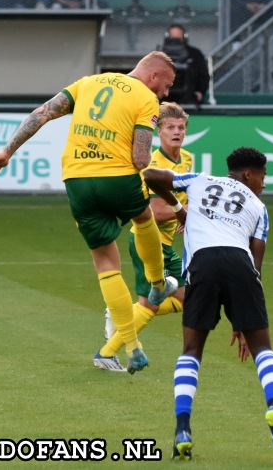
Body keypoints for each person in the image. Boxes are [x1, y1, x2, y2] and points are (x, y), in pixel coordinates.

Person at [0, 51, 180, 375]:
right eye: (168, 85)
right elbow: (141, 159)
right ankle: (158, 282)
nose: (167, 94)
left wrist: (7, 151)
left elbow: (43, 113)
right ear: (155, 76)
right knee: (144, 217)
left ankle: (132, 347)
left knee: (106, 262)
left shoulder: (87, 83)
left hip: (75, 178)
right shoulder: (145, 97)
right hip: (116, 176)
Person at [143, 147, 273, 463]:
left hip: (203, 264)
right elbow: (257, 264)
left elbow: (151, 176)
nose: (264, 184)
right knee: (264, 349)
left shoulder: (199, 180)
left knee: (191, 351)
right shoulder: (258, 207)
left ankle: (182, 429)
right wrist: (242, 321)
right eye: (263, 177)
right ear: (249, 175)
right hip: (240, 262)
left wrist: (176, 206)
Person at [95, 101, 192, 372]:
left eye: (181, 127)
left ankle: (119, 322)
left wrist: (188, 212)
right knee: (176, 300)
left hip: (164, 243)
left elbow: (184, 200)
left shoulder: (187, 159)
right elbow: (155, 213)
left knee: (162, 302)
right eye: (170, 127)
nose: (176, 131)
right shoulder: (153, 165)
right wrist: (186, 214)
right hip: (148, 241)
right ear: (159, 132)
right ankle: (109, 346)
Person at [160, 23, 209, 107]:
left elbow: (204, 75)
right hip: (165, 100)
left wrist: (200, 91)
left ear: (184, 37)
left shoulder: (195, 54)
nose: (176, 40)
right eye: (173, 37)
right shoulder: (159, 55)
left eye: (178, 37)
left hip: (189, 99)